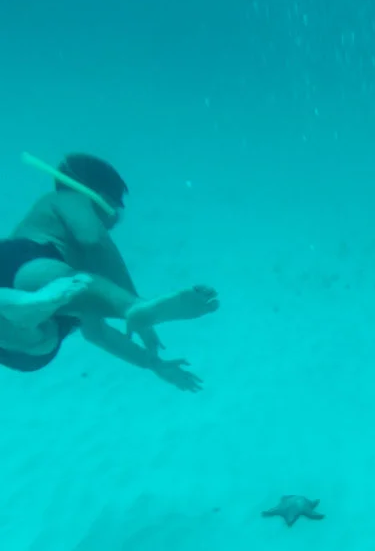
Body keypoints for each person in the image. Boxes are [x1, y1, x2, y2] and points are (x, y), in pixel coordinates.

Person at [0, 153, 219, 389]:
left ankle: (23, 309)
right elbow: (95, 239)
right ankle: (25, 306)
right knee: (74, 284)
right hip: (24, 262)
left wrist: (152, 362)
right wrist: (133, 305)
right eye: (116, 210)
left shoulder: (87, 283)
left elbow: (97, 333)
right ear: (98, 195)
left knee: (42, 340)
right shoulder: (67, 198)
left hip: (20, 336)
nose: (113, 221)